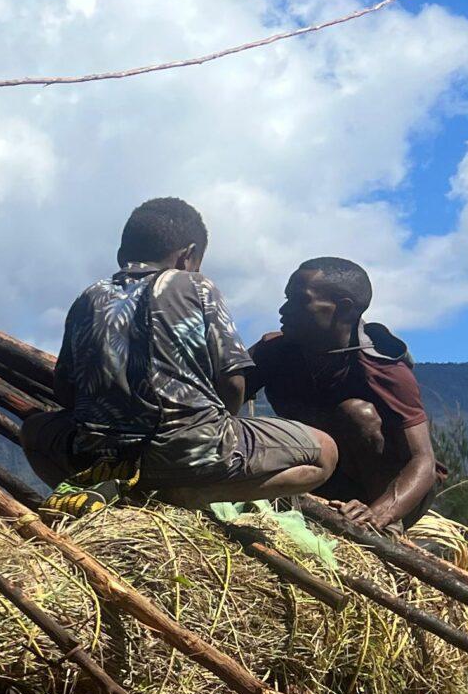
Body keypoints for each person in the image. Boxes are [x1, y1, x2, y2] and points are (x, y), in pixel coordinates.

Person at [22, 197, 337, 506]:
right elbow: (233, 382)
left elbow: (65, 392)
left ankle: (113, 497)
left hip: (97, 455)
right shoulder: (195, 286)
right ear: (189, 255)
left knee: (34, 430)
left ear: (121, 254)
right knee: (324, 452)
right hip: (186, 455)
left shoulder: (87, 298)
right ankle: (190, 495)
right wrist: (218, 424)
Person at [247, 257, 441, 528]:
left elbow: (422, 461)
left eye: (299, 301)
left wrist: (380, 514)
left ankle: (382, 530)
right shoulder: (273, 351)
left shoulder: (383, 370)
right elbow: (219, 398)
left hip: (386, 494)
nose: (284, 310)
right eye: (286, 299)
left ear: (344, 309)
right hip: (321, 476)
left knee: (355, 413)